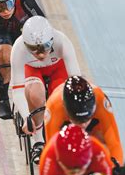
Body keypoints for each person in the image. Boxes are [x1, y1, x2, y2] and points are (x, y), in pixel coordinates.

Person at [11, 16, 81, 161]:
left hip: (57, 69)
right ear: (25, 44)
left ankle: (60, 135)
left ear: (51, 40)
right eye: (34, 50)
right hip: (32, 69)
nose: (41, 54)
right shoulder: (18, 48)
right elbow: (17, 90)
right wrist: (27, 117)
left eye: (44, 47)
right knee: (36, 94)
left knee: (61, 98)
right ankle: (38, 142)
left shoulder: (62, 41)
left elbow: (76, 81)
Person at [45, 76, 124, 166]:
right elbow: (51, 151)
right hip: (66, 128)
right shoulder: (53, 107)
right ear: (66, 110)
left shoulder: (100, 99)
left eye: (86, 119)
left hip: (93, 127)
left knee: (103, 146)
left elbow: (114, 143)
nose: (82, 125)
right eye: (77, 121)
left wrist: (115, 168)